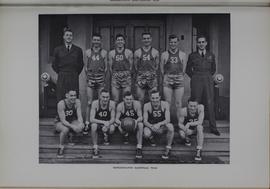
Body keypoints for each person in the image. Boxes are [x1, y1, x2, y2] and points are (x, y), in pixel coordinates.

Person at [186, 35, 220, 136]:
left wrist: (207, 76)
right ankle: (193, 126)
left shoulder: (211, 55)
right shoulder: (192, 55)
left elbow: (213, 69)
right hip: (196, 80)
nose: (201, 44)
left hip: (208, 80)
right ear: (197, 44)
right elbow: (188, 70)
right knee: (195, 103)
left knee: (210, 103)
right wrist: (195, 77)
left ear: (206, 43)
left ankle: (213, 128)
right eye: (199, 42)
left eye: (203, 42)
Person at [52, 27, 84, 102]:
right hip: (62, 75)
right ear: (63, 37)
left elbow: (81, 64)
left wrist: (75, 73)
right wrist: (61, 72)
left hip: (73, 76)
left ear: (72, 37)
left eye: (70, 35)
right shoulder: (57, 49)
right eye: (67, 35)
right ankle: (61, 113)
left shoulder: (78, 50)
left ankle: (73, 113)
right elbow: (54, 64)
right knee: (61, 96)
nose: (69, 37)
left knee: (73, 97)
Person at [84, 34, 108, 133]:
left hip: (100, 79)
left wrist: (103, 78)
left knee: (100, 102)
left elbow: (106, 68)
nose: (96, 41)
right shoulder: (88, 52)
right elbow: (86, 67)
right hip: (90, 79)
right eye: (95, 40)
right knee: (89, 102)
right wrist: (88, 79)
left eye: (98, 40)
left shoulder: (104, 52)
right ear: (92, 40)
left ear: (100, 41)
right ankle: (87, 123)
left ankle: (99, 122)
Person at [161, 34, 187, 119]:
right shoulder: (164, 54)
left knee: (179, 103)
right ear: (169, 43)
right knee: (167, 102)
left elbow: (184, 69)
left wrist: (178, 77)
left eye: (175, 42)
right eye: (171, 42)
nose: (173, 44)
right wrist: (166, 77)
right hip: (168, 79)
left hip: (179, 79)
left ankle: (180, 124)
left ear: (178, 42)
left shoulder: (183, 54)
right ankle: (167, 122)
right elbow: (161, 68)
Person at [143, 90, 174, 159]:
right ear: (150, 98)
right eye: (153, 98)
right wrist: (151, 126)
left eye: (156, 98)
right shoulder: (147, 105)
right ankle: (151, 138)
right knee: (146, 133)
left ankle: (168, 148)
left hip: (161, 126)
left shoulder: (165, 104)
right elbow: (145, 121)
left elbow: (168, 119)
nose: (155, 100)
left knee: (170, 127)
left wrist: (159, 124)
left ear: (159, 97)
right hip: (152, 126)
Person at [55, 89, 84, 158]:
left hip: (71, 121)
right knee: (65, 129)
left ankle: (71, 134)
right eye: (71, 95)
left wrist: (81, 123)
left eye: (75, 95)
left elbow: (79, 116)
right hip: (59, 122)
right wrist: (73, 127)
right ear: (67, 96)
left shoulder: (77, 102)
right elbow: (63, 120)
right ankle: (61, 147)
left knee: (81, 126)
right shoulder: (61, 104)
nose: (73, 97)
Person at [115, 91, 144, 158]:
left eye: (130, 99)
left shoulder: (137, 104)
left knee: (141, 125)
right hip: (124, 124)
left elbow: (141, 117)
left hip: (134, 124)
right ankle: (125, 135)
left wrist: (136, 121)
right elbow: (116, 119)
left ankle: (139, 147)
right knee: (118, 126)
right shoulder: (120, 106)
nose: (129, 101)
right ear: (123, 99)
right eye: (127, 99)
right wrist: (122, 123)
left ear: (133, 99)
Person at [134, 32, 159, 105]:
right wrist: (142, 74)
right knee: (140, 98)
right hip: (141, 76)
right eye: (144, 38)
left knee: (153, 99)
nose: (146, 40)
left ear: (151, 39)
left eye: (148, 38)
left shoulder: (155, 52)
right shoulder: (137, 52)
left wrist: (151, 74)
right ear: (142, 40)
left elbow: (156, 66)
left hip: (152, 76)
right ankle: (141, 115)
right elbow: (135, 66)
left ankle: (151, 115)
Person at [89, 89, 116, 158]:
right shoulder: (95, 103)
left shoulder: (112, 104)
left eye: (107, 97)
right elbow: (91, 119)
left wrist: (108, 124)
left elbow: (113, 118)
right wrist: (103, 122)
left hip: (107, 123)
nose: (105, 99)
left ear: (109, 97)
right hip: (99, 123)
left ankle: (106, 136)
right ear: (100, 97)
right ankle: (95, 146)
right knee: (93, 125)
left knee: (112, 128)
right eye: (103, 97)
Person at [108, 34, 133, 104]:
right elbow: (110, 67)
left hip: (126, 76)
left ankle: (125, 115)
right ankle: (116, 114)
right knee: (115, 99)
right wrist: (115, 75)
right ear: (116, 42)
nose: (120, 41)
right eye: (118, 40)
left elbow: (131, 66)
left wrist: (125, 74)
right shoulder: (111, 53)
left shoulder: (129, 52)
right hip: (116, 76)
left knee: (126, 99)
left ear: (124, 41)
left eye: (121, 40)